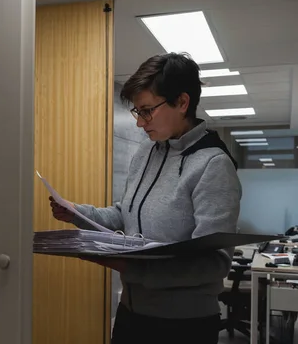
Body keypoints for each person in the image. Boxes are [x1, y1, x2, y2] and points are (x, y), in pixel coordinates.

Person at [50, 52, 241, 344]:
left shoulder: (213, 165)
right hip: (131, 314)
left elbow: (214, 262)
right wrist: (76, 212)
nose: (141, 123)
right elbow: (123, 215)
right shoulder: (146, 153)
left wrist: (135, 268)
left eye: (147, 110)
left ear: (182, 102)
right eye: (138, 112)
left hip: (183, 325)